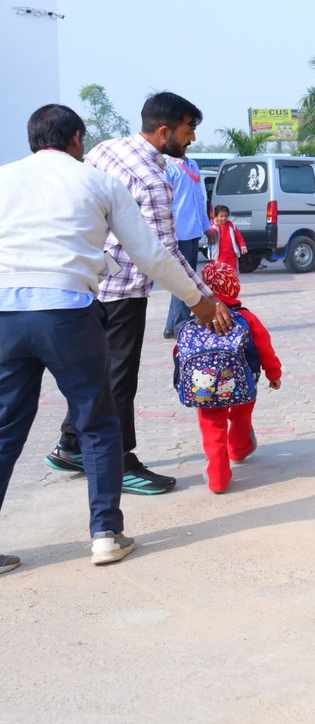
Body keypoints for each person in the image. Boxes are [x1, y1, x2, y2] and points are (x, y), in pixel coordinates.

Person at [0, 105, 229, 572]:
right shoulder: (100, 183)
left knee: (5, 427)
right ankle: (105, 533)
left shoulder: (4, 179)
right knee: (98, 421)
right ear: (76, 139)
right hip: (67, 311)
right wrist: (198, 301)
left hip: (6, 313)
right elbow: (152, 254)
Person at [46, 91, 226, 495]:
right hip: (123, 289)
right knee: (119, 379)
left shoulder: (106, 150)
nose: (193, 138)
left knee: (99, 371)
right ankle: (120, 461)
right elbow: (163, 252)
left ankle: (71, 445)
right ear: (164, 132)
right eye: (188, 130)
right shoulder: (152, 180)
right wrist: (203, 300)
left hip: (90, 281)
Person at [184, 261, 282, 494]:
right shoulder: (246, 317)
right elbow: (265, 347)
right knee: (241, 414)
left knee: (212, 423)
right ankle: (239, 448)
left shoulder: (195, 319)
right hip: (244, 381)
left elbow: (182, 352)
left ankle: (218, 477)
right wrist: (274, 373)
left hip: (205, 385)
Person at [161, 154, 209, 338]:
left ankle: (172, 325)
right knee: (183, 281)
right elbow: (164, 203)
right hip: (178, 233)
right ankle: (180, 325)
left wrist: (206, 227)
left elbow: (199, 199)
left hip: (194, 231)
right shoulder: (168, 167)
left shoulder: (193, 164)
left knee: (185, 279)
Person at [209, 204, 247, 272]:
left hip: (232, 255)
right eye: (221, 216)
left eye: (226, 216)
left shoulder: (232, 226)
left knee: (232, 273)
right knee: (221, 273)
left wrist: (243, 246)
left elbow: (239, 237)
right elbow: (211, 234)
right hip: (220, 256)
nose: (223, 218)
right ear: (216, 216)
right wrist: (215, 224)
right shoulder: (215, 227)